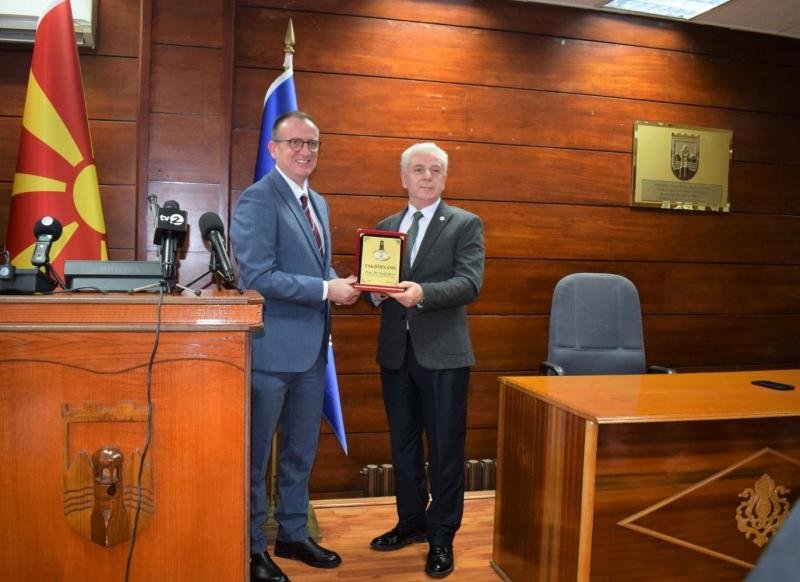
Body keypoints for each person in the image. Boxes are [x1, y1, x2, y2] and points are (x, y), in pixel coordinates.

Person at [231, 110, 360, 582]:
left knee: (300, 452)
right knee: (255, 457)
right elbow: (257, 276)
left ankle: (291, 532)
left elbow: (316, 268)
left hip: (311, 353)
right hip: (270, 352)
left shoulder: (317, 202)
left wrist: (344, 283)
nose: (305, 151)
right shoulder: (258, 199)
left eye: (312, 144)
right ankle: (251, 548)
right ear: (274, 149)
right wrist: (327, 289)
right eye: (295, 143)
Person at [368, 142, 485, 578]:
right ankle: (412, 521)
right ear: (403, 178)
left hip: (444, 356)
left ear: (444, 178)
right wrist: (373, 292)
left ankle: (442, 535)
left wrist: (423, 294)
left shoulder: (465, 224)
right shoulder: (385, 227)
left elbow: (470, 283)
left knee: (446, 448)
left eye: (435, 170)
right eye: (418, 169)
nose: (427, 177)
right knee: (403, 446)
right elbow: (376, 284)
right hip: (395, 353)